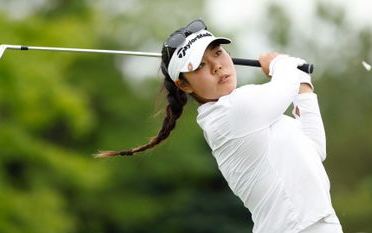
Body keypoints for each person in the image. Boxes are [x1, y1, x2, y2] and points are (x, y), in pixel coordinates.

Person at [96, 19, 343, 233]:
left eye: (217, 53)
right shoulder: (230, 113)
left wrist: (304, 84)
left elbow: (315, 149)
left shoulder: (252, 113)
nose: (216, 66)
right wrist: (282, 64)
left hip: (320, 224)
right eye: (200, 65)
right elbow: (283, 83)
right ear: (184, 85)